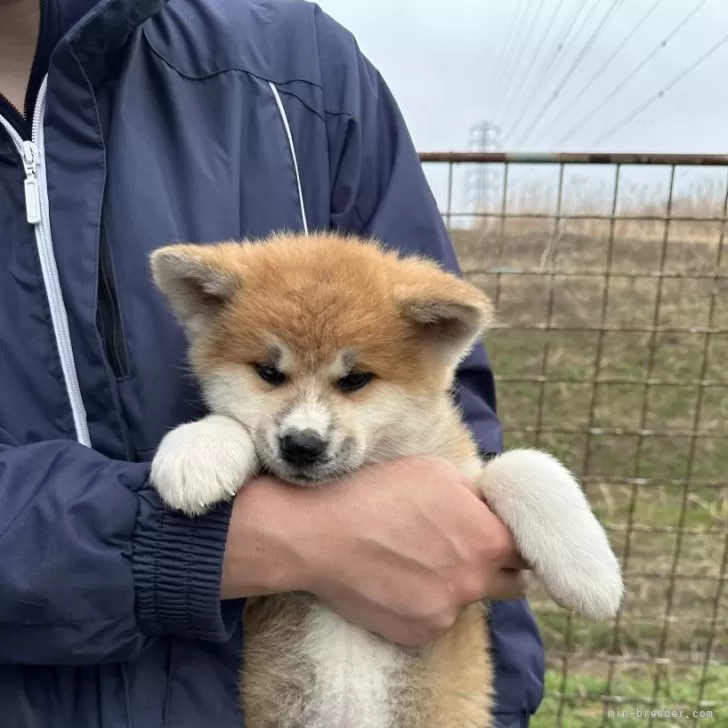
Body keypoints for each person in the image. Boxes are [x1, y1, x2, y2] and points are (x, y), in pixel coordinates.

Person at [0, 0, 545, 726]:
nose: (306, 424)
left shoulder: (301, 70)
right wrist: (219, 544)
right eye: (272, 375)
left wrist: (501, 701)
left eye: (351, 382)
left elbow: (454, 443)